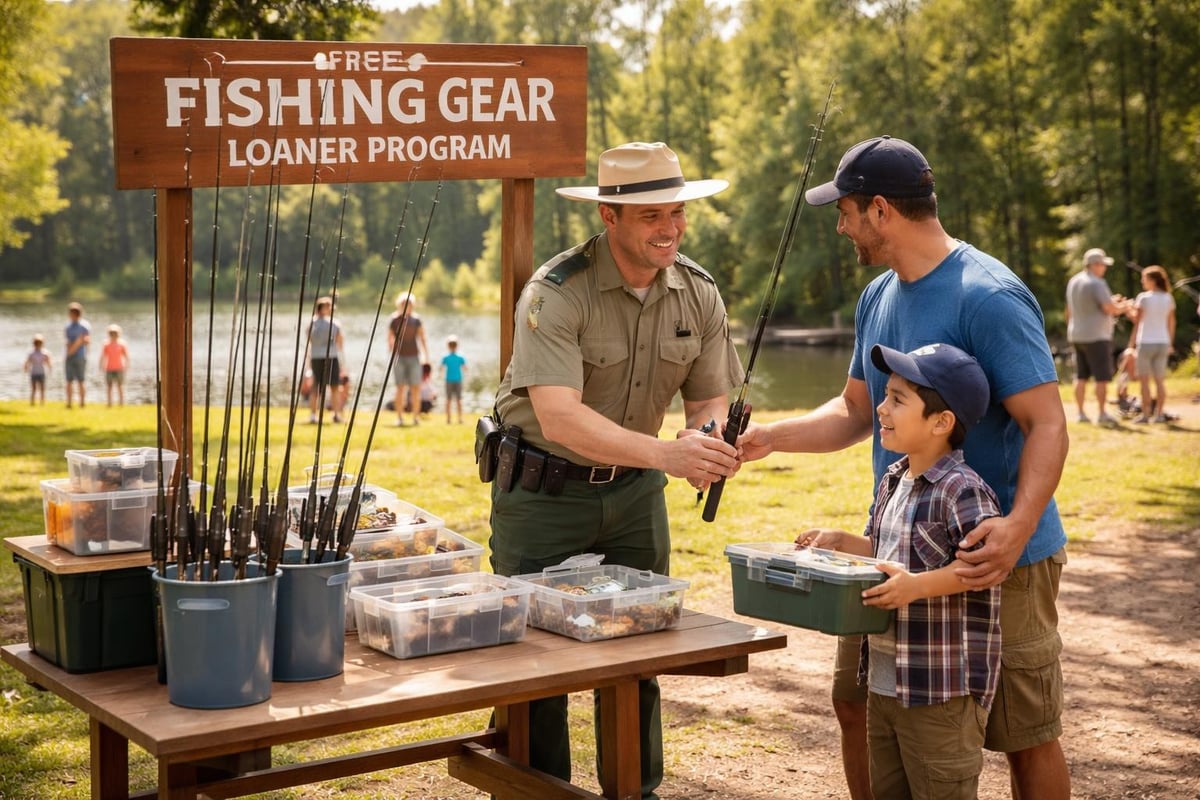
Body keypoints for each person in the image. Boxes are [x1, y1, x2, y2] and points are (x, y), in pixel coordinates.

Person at [737, 135, 1071, 800]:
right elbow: (855, 410)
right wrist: (766, 438)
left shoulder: (989, 295)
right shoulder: (876, 297)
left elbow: (1048, 424)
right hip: (893, 551)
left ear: (881, 210)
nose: (840, 225)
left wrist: (1018, 524)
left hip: (999, 557)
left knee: (1023, 733)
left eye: (846, 210)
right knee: (858, 704)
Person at [487, 141, 743, 798]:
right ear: (610, 216)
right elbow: (559, 417)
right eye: (653, 216)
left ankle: (636, 790)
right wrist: (667, 454)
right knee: (530, 664)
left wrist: (705, 440)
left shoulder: (699, 292)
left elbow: (710, 395)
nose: (671, 229)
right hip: (543, 494)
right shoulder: (556, 293)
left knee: (639, 652)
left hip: (634, 496)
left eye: (677, 213)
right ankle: (531, 791)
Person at [798, 342, 1001, 799]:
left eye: (897, 399)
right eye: (885, 394)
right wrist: (844, 542)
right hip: (884, 684)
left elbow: (983, 570)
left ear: (941, 423)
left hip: (939, 693)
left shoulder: (964, 491)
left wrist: (915, 588)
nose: (881, 407)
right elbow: (887, 550)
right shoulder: (894, 477)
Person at [1065, 248, 1129, 424]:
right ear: (1095, 265)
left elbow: (1073, 309)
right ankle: (1101, 414)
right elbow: (1109, 309)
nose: (1105, 268)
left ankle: (1080, 413)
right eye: (1103, 265)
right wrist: (1125, 307)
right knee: (1102, 377)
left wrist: (1112, 303)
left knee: (1081, 376)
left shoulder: (1074, 281)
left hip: (1076, 334)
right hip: (1097, 336)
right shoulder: (1097, 283)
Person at [1128, 265, 1176, 423]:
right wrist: (1170, 342)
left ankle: (1146, 414)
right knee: (1160, 381)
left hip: (1146, 343)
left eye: (1144, 278)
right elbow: (1171, 322)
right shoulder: (1168, 298)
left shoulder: (1144, 297)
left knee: (1144, 381)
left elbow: (1137, 319)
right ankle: (1160, 414)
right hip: (1163, 342)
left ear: (1153, 280)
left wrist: (1128, 309)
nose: (1142, 281)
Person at [387, 291, 429, 426]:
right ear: (400, 304)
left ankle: (415, 418)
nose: (407, 306)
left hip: (414, 358)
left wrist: (426, 356)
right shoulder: (394, 319)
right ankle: (399, 417)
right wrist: (392, 353)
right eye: (404, 304)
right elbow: (390, 339)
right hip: (399, 358)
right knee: (400, 388)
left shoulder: (417, 320)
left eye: (410, 304)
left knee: (416, 388)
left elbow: (422, 338)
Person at [307, 296, 345, 423]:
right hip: (331, 357)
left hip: (316, 356)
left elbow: (309, 341)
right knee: (332, 386)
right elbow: (340, 342)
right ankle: (335, 414)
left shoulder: (311, 323)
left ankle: (314, 415)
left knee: (316, 387)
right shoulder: (335, 323)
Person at [64, 302, 91, 409]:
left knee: (81, 380)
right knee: (69, 380)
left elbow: (87, 340)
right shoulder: (68, 326)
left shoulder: (84, 326)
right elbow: (68, 341)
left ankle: (82, 403)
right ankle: (69, 403)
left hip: (80, 356)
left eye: (70, 313)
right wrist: (74, 345)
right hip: (69, 356)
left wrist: (76, 345)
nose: (69, 315)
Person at [99, 324, 130, 407]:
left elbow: (126, 356)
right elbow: (103, 356)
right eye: (111, 333)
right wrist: (101, 365)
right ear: (109, 334)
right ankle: (109, 403)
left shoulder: (122, 344)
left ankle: (121, 403)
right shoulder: (106, 344)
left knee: (120, 386)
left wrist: (127, 365)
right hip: (109, 368)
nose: (113, 335)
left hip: (119, 368)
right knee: (109, 386)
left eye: (115, 333)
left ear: (118, 334)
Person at [439, 335, 467, 423]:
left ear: (448, 346)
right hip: (458, 380)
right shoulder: (460, 357)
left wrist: (440, 375)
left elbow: (440, 368)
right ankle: (460, 418)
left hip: (449, 380)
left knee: (448, 400)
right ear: (457, 346)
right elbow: (465, 368)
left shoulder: (446, 357)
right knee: (459, 400)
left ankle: (448, 419)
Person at [24, 334, 51, 406]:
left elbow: (48, 361)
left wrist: (50, 367)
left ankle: (42, 403)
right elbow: (27, 362)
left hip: (42, 373)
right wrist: (26, 368)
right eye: (36, 343)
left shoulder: (45, 352)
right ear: (34, 343)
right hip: (34, 373)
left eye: (39, 343)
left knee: (42, 389)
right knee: (33, 389)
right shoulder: (31, 353)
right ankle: (32, 402)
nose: (38, 344)